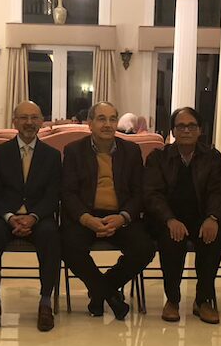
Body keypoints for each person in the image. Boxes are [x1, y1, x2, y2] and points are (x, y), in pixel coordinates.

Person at [61, 101, 156, 320]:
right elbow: (67, 192)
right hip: (86, 216)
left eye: (112, 119)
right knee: (67, 245)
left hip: (120, 216)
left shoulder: (131, 151)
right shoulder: (74, 151)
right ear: (90, 123)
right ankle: (110, 296)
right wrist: (87, 219)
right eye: (101, 119)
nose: (107, 124)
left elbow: (138, 193)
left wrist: (123, 217)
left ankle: (101, 291)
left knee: (144, 248)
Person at [0, 101, 62, 332]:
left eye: (34, 118)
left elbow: (53, 194)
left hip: (39, 217)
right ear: (14, 121)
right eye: (24, 118)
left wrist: (34, 217)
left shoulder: (52, 155)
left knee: (51, 235)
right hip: (4, 217)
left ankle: (45, 302)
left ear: (41, 122)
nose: (29, 122)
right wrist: (9, 217)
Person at [144, 106, 221, 324]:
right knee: (171, 240)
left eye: (191, 126)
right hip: (167, 219)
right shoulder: (158, 158)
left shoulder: (212, 157)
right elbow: (152, 194)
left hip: (202, 217)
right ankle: (172, 299)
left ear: (200, 130)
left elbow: (219, 191)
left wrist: (213, 218)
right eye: (181, 126)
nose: (186, 130)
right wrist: (170, 219)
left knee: (213, 238)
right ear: (173, 131)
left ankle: (203, 300)